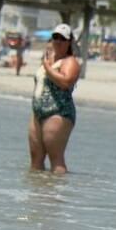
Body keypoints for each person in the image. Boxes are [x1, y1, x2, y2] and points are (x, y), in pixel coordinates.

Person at [28, 23, 81, 174]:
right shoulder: (48, 59)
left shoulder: (70, 62)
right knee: (35, 158)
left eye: (62, 38)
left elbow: (65, 82)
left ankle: (57, 188)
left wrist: (47, 67)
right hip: (38, 112)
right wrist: (47, 63)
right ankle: (37, 187)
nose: (58, 41)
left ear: (69, 42)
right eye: (55, 37)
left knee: (55, 158)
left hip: (58, 112)